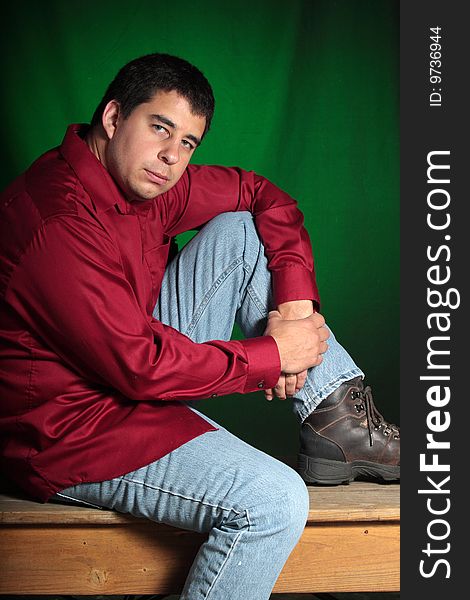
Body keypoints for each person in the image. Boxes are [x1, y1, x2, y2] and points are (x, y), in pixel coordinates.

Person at [0, 53, 399, 599]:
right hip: (71, 431)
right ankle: (336, 425)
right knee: (274, 500)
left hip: (128, 366)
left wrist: (296, 312)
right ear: (114, 118)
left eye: (187, 143)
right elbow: (139, 368)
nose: (170, 157)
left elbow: (264, 195)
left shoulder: (147, 181)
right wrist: (270, 356)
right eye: (159, 128)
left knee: (240, 231)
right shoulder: (56, 223)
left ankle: (338, 424)